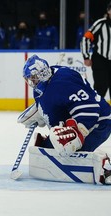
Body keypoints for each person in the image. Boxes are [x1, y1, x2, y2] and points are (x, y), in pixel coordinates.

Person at [18, 54, 111, 184]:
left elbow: (89, 108)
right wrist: (40, 112)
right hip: (76, 120)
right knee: (50, 148)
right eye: (29, 78)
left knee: (68, 150)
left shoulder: (63, 83)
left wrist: (78, 132)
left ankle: (105, 167)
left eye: (33, 78)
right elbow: (55, 101)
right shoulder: (41, 86)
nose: (31, 82)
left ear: (42, 74)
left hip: (98, 122)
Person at [81, 2, 111, 99]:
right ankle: (97, 111)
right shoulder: (100, 23)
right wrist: (86, 56)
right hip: (101, 60)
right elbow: (86, 38)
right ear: (108, 11)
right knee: (100, 87)